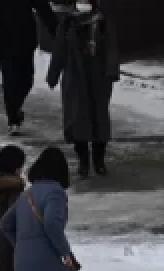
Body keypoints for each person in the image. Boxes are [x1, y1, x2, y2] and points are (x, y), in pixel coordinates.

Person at [48, 0, 120, 177]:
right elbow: (59, 49)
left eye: (86, 1)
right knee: (77, 118)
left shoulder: (102, 22)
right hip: (75, 77)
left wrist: (111, 72)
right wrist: (53, 74)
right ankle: (83, 161)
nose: (83, 4)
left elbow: (112, 49)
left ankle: (99, 159)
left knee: (99, 119)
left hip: (99, 78)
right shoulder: (68, 23)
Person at [0, 0, 58, 135]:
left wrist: (56, 30)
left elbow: (42, 7)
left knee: (27, 80)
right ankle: (13, 118)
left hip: (26, 39)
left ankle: (15, 108)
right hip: (4, 41)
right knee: (10, 78)